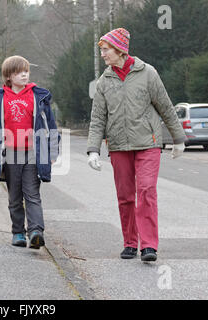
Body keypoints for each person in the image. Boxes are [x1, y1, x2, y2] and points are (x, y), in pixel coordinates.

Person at [86, 28, 186, 262]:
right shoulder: (104, 81)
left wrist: (178, 138)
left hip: (148, 143)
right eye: (101, 50)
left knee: (146, 191)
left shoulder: (148, 73)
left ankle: (149, 245)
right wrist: (93, 149)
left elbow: (165, 106)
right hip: (119, 146)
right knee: (125, 196)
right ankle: (130, 242)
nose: (102, 54)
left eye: (105, 49)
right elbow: (98, 118)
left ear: (119, 50)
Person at [0, 55, 60, 249]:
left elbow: (51, 126)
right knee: (14, 196)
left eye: (26, 71)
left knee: (32, 194)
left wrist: (51, 152)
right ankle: (18, 232)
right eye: (19, 72)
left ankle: (35, 231)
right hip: (9, 153)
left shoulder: (38, 97)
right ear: (9, 76)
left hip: (33, 153)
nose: (24, 74)